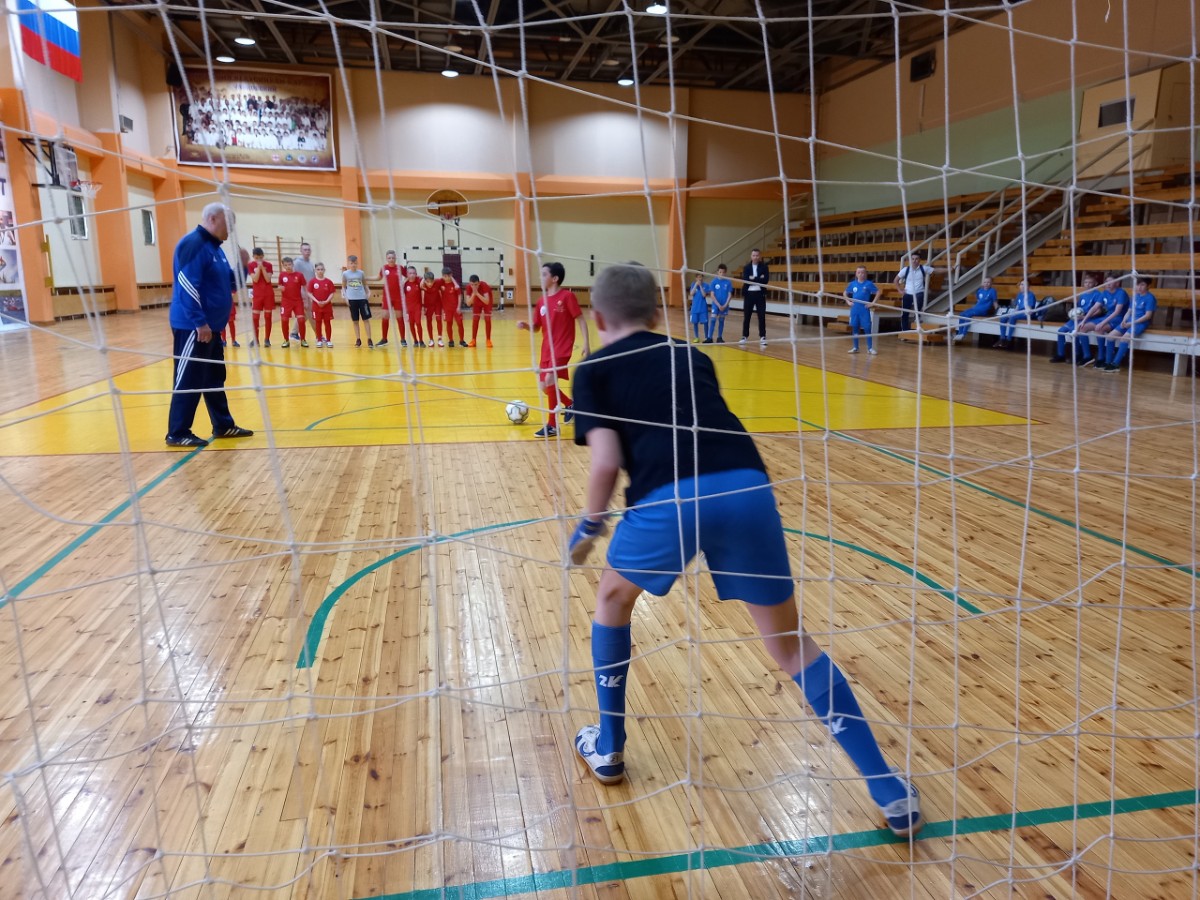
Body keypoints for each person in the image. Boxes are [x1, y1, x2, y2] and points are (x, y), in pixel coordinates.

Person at [567, 262, 922, 838]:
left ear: (598, 317)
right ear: (657, 313)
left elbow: (606, 462)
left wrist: (588, 526)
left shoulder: (593, 367)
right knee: (790, 643)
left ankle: (608, 747)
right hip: (746, 485)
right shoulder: (691, 354)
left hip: (668, 498)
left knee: (612, 601)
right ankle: (887, 788)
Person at [164, 202, 255, 448]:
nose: (231, 229)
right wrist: (199, 322)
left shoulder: (215, 249)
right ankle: (177, 432)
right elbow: (187, 284)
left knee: (214, 377)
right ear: (213, 219)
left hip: (212, 328)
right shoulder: (193, 244)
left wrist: (243, 267)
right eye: (229, 223)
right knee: (188, 378)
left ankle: (223, 425)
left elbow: (231, 284)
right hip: (193, 327)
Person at [516, 261, 591, 438]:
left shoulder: (567, 297)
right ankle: (570, 404)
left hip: (562, 347)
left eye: (544, 274)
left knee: (550, 379)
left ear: (555, 278)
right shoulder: (541, 301)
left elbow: (580, 319)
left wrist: (586, 344)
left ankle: (552, 425)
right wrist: (526, 326)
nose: (541, 277)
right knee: (544, 386)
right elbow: (536, 328)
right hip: (547, 349)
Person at [1099, 276, 1157, 372]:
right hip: (1129, 321)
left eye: (1142, 285)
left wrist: (1132, 323)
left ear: (1148, 286)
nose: (1139, 287)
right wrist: (1124, 320)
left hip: (1140, 323)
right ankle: (1108, 361)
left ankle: (1116, 364)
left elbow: (1148, 316)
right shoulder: (1135, 296)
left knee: (1124, 338)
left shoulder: (1150, 298)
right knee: (1110, 337)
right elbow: (1129, 311)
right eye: (1137, 285)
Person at [1049, 275, 1101, 363]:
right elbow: (1079, 308)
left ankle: (1078, 354)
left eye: (1090, 282)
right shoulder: (1083, 294)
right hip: (1078, 318)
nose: (1087, 284)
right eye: (1086, 282)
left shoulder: (1097, 294)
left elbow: (1099, 310)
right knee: (1060, 331)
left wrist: (1085, 317)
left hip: (1088, 318)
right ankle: (1060, 355)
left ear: (1095, 283)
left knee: (1073, 332)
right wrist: (1074, 310)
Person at [893, 251, 941, 333]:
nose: (914, 260)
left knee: (918, 304)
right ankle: (905, 331)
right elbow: (895, 280)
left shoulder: (923, 268)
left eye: (916, 259)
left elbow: (936, 270)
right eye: (913, 259)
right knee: (905, 313)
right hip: (908, 293)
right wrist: (900, 290)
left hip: (919, 292)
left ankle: (917, 320)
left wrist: (950, 269)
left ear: (919, 260)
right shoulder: (905, 270)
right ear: (910, 260)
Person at [843, 265, 879, 354]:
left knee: (867, 328)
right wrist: (848, 301)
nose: (861, 274)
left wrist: (872, 303)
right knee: (855, 328)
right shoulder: (852, 284)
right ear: (856, 274)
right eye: (859, 272)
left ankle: (870, 348)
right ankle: (855, 347)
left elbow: (878, 292)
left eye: (863, 272)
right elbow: (845, 293)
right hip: (855, 309)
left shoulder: (869, 284)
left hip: (864, 309)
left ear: (866, 273)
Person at [739, 249, 770, 347]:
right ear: (751, 256)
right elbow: (746, 280)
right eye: (754, 255)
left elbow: (765, 280)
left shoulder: (764, 267)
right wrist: (759, 278)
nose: (755, 257)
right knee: (747, 316)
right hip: (749, 294)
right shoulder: (746, 267)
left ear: (760, 256)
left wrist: (753, 278)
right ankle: (744, 336)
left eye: (757, 255)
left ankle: (763, 337)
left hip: (760, 294)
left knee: (761, 316)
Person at [996, 281, 1039, 349]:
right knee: (1003, 318)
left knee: (1012, 317)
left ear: (1028, 287)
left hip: (1027, 313)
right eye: (1021, 284)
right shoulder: (1019, 294)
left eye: (1024, 285)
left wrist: (1015, 314)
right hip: (1019, 312)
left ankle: (1009, 340)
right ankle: (1002, 339)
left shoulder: (1030, 295)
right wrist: (1012, 312)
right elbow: (1017, 307)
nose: (1022, 286)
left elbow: (1029, 309)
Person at [342, 254, 373, 348]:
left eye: (355, 263)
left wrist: (368, 292)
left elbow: (365, 284)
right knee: (355, 320)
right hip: (352, 299)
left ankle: (369, 339)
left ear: (357, 263)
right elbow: (343, 287)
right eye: (351, 263)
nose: (353, 265)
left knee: (366, 319)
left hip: (362, 299)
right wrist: (345, 297)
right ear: (348, 264)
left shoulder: (361, 273)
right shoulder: (345, 274)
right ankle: (358, 339)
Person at [953, 277, 998, 342]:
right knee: (962, 314)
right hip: (976, 308)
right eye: (985, 282)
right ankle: (960, 333)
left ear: (991, 283)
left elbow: (995, 302)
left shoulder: (992, 291)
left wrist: (997, 312)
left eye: (988, 282)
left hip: (983, 310)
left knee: (968, 315)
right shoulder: (980, 290)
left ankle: (964, 333)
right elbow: (978, 299)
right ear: (982, 283)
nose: (986, 284)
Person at [277, 256, 308, 348]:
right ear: (283, 266)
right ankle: (286, 340)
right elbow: (279, 285)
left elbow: (305, 287)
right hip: (286, 301)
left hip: (298, 301)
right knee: (284, 320)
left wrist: (306, 300)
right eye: (286, 265)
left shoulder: (299, 275)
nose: (288, 266)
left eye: (289, 264)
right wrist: (280, 288)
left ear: (292, 264)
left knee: (301, 320)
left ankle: (303, 340)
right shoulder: (282, 275)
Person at [247, 247, 275, 347]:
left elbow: (267, 279)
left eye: (260, 257)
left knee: (268, 317)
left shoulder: (269, 265)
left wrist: (263, 268)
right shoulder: (250, 265)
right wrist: (258, 268)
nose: (259, 259)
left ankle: (267, 339)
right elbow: (255, 279)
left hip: (268, 294)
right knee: (255, 317)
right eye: (256, 258)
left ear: (263, 256)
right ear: (253, 257)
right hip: (257, 294)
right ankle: (256, 340)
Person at [378, 250, 405, 347]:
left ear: (395, 258)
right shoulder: (384, 268)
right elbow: (378, 278)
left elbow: (408, 276)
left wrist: (404, 283)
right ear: (386, 259)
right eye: (389, 258)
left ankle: (403, 339)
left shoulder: (400, 268)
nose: (391, 259)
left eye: (393, 258)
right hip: (387, 297)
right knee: (385, 316)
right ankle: (384, 339)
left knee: (399, 317)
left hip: (398, 297)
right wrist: (365, 278)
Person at [291, 241, 317, 340]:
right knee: (311, 313)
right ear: (301, 251)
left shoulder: (310, 263)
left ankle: (294, 333)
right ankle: (319, 335)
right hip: (302, 292)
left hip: (310, 292)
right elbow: (293, 277)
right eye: (305, 250)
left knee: (305, 314)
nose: (307, 251)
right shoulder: (297, 263)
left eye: (309, 250)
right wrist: (300, 293)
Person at [308, 262, 336, 347]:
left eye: (321, 269)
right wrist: (317, 301)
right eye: (318, 269)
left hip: (327, 306)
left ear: (324, 270)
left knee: (327, 323)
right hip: (316, 306)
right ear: (315, 270)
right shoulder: (312, 282)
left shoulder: (329, 282)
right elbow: (309, 293)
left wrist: (326, 301)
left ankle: (328, 340)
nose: (320, 271)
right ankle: (319, 340)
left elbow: (332, 293)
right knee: (318, 323)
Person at [704, 263, 733, 343]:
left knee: (721, 320)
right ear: (717, 272)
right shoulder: (714, 281)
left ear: (725, 272)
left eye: (723, 272)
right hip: (716, 304)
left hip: (724, 305)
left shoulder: (728, 282)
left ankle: (719, 337)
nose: (721, 274)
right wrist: (718, 305)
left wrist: (725, 305)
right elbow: (712, 295)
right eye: (720, 272)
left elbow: (730, 295)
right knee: (713, 319)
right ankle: (709, 338)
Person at [441, 267, 467, 347]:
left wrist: (458, 307)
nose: (447, 278)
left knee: (460, 323)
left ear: (451, 275)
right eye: (445, 276)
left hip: (456, 308)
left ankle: (462, 340)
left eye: (449, 276)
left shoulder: (455, 285)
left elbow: (459, 295)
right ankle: (450, 340)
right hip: (447, 309)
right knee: (449, 323)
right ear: (442, 276)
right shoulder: (441, 283)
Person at [467, 274, 495, 347]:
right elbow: (468, 303)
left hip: (486, 300)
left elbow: (487, 301)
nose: (474, 286)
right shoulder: (468, 287)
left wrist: (477, 293)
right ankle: (473, 340)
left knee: (487, 319)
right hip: (477, 300)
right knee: (475, 319)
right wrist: (474, 294)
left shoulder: (484, 285)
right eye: (472, 285)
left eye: (476, 284)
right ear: (470, 284)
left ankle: (488, 340)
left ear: (479, 283)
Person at [402, 265, 425, 347]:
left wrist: (422, 278)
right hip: (409, 308)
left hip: (417, 307)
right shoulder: (405, 284)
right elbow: (401, 293)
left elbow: (425, 279)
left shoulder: (419, 281)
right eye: (410, 273)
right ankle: (415, 341)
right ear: (407, 274)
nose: (412, 275)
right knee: (411, 324)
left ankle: (421, 341)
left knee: (418, 323)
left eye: (414, 273)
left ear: (416, 274)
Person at [421, 271, 443, 346]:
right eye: (428, 282)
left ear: (434, 280)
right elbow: (420, 284)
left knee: (439, 319)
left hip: (437, 304)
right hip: (428, 305)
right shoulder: (422, 285)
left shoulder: (438, 282)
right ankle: (431, 339)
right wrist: (423, 306)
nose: (430, 284)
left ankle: (440, 339)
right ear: (425, 281)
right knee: (429, 321)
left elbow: (446, 277)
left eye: (431, 281)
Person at [687, 272, 709, 343]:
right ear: (696, 278)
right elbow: (691, 293)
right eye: (698, 277)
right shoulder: (693, 284)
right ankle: (696, 337)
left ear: (702, 277)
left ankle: (706, 337)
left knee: (705, 323)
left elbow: (704, 295)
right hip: (695, 308)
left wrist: (701, 286)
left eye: (701, 277)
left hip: (703, 308)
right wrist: (696, 285)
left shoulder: (706, 285)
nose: (700, 278)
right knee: (695, 322)